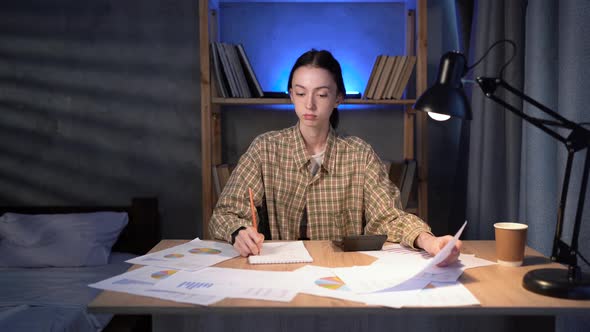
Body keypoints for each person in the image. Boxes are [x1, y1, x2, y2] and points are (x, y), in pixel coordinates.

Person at [209, 49, 461, 266]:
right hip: (280, 271)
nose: (309, 104)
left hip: (343, 274)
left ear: (338, 98)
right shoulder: (264, 149)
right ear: (291, 95)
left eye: (321, 94)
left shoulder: (359, 154)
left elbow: (389, 217)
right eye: (300, 93)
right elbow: (224, 214)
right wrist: (238, 232)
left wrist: (430, 241)